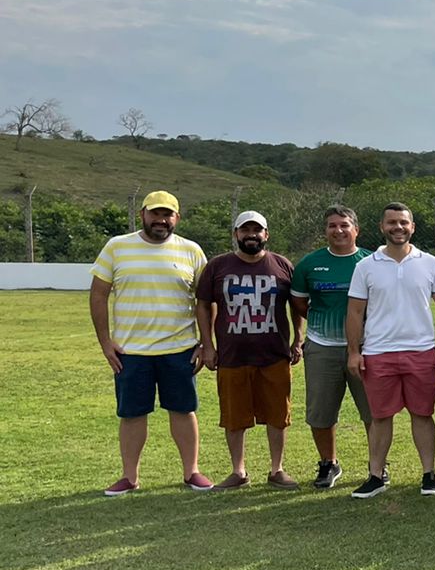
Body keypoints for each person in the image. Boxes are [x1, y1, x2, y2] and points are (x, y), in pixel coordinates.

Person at [89, 191, 214, 495]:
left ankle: (191, 471)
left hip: (179, 349)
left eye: (167, 214)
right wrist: (106, 343)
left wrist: (205, 342)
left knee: (184, 411)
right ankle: (129, 477)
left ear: (177, 218)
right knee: (132, 414)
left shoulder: (191, 250)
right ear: (142, 214)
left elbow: (205, 300)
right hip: (131, 352)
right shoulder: (117, 247)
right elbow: (98, 295)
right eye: (155, 214)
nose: (161, 220)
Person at [345, 202, 435, 498]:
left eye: (403, 223)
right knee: (381, 417)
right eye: (392, 222)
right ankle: (376, 475)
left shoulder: (429, 262)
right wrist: (354, 353)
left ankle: (429, 474)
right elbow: (355, 312)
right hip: (378, 353)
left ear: (412, 227)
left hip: (420, 351)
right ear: (382, 227)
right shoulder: (365, 266)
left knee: (422, 414)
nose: (398, 227)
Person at [196, 210, 300, 490]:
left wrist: (297, 339)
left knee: (278, 415)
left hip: (274, 354)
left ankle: (277, 468)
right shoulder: (218, 266)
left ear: (266, 234)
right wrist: (208, 345)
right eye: (245, 230)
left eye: (257, 230)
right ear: (236, 234)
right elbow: (204, 305)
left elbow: (297, 304)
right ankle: (238, 470)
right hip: (232, 355)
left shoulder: (281, 265)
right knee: (234, 416)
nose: (251, 235)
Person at [290, 206, 373, 489]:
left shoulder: (371, 261)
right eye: (332, 226)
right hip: (322, 347)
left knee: (374, 412)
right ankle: (329, 463)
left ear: (356, 230)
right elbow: (299, 304)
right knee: (321, 412)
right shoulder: (309, 264)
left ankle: (377, 467)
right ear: (325, 230)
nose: (338, 230)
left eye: (344, 225)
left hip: (366, 348)